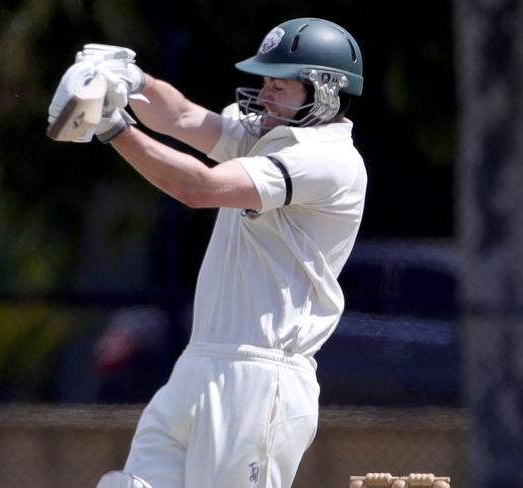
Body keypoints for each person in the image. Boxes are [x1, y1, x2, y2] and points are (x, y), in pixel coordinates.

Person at [48, 17, 366, 488]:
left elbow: (200, 188)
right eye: (265, 82)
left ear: (324, 92)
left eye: (280, 86)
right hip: (198, 364)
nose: (264, 96)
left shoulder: (329, 160)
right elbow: (180, 117)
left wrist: (113, 126)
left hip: (262, 377)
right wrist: (129, 80)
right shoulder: (267, 136)